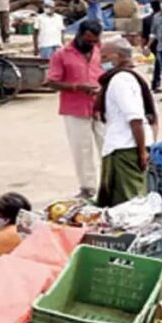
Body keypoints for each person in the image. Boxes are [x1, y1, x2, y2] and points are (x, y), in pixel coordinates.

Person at [46, 19, 104, 199]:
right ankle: (88, 187)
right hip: (75, 108)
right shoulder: (61, 54)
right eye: (88, 40)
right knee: (82, 149)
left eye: (95, 41)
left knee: (107, 145)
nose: (92, 44)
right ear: (79, 35)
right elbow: (51, 82)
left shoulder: (98, 50)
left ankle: (109, 184)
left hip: (99, 106)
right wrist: (77, 87)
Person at [94, 39, 155, 207]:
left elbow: (135, 118)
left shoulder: (120, 80)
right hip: (128, 145)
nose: (101, 61)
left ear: (119, 56)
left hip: (125, 149)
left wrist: (142, 152)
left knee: (127, 203)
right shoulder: (129, 77)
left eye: (105, 56)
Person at [141, 0, 162, 93]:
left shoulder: (146, 19)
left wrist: (144, 47)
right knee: (159, 64)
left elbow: (143, 35)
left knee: (156, 64)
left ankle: (155, 82)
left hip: (151, 44)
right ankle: (156, 83)